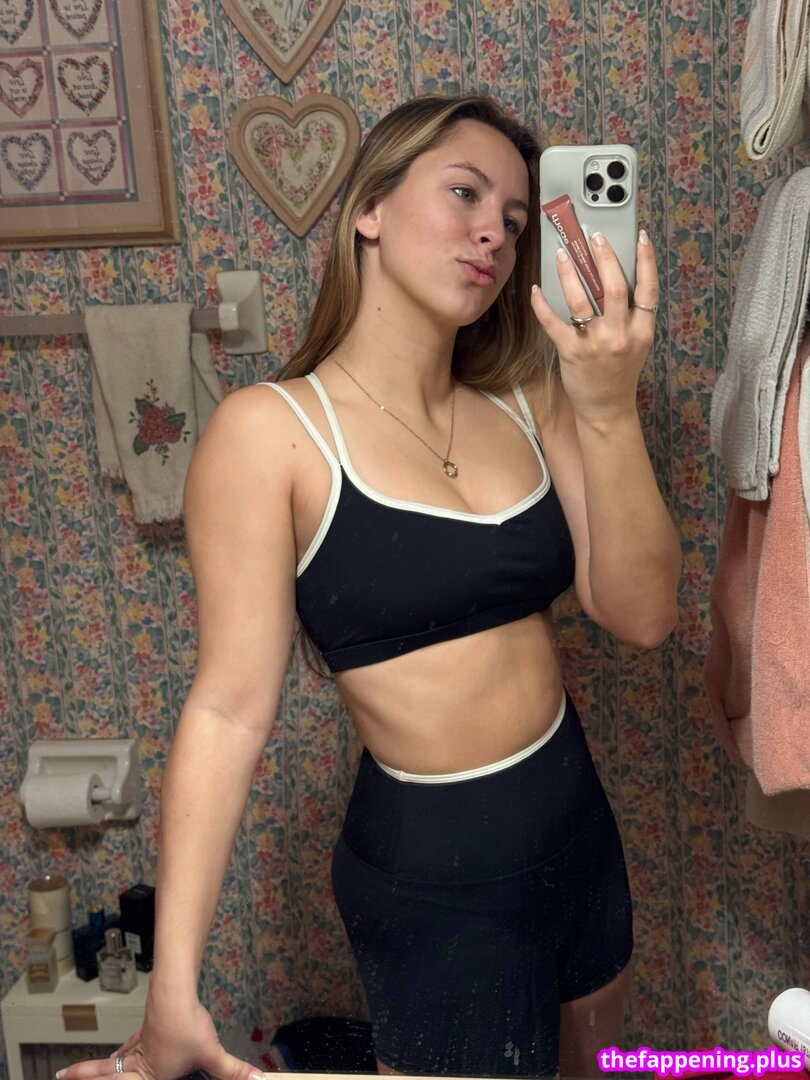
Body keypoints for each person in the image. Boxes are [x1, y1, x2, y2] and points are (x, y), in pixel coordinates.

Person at [59, 94, 681, 1080]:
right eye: (465, 193)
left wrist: (607, 409)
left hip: (578, 833)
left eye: (515, 219)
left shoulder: (529, 397)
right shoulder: (271, 434)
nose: (494, 232)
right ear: (370, 209)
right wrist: (169, 991)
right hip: (434, 884)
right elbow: (227, 709)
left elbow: (642, 615)